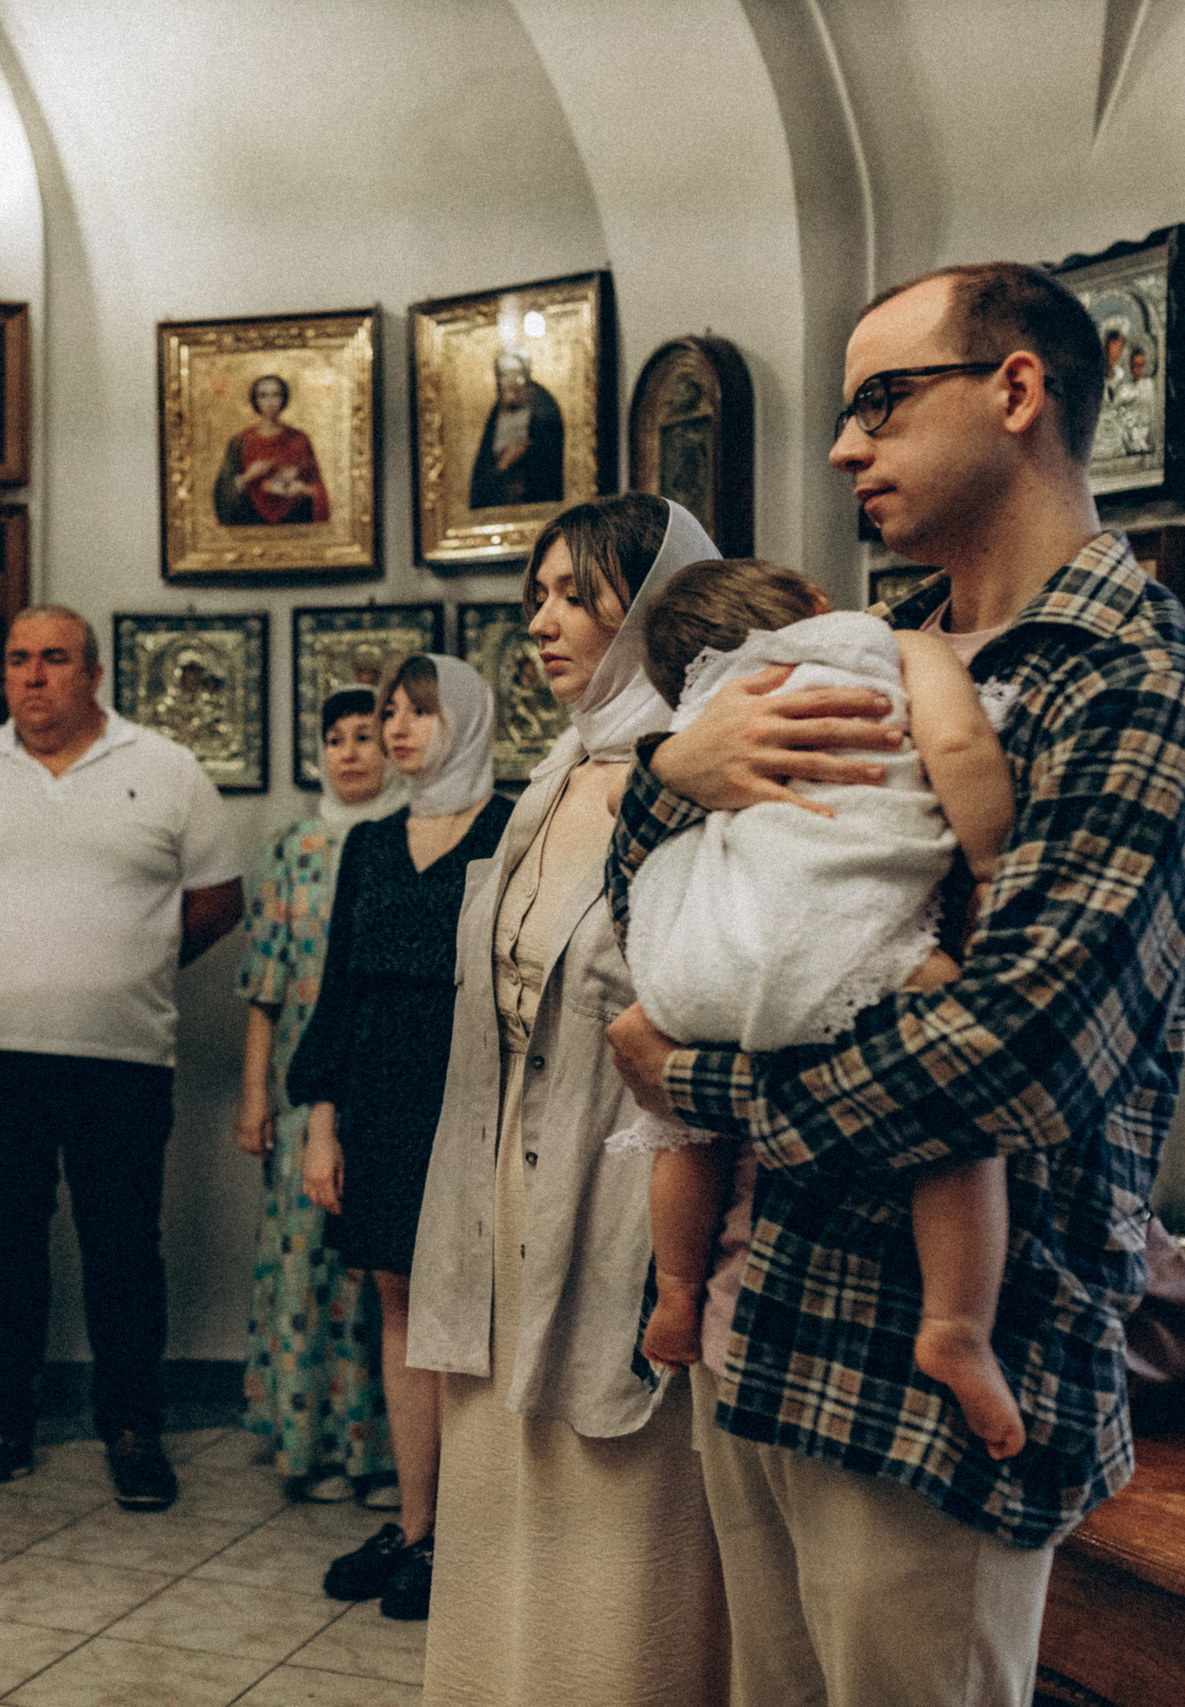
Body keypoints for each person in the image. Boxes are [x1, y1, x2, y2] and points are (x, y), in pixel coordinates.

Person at [606, 262, 1185, 1707]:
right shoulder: (851, 645)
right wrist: (669, 777)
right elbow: (666, 925)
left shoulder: (1134, 684)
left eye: (881, 401)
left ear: (1018, 391)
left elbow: (1018, 1053)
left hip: (937, 1364)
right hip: (756, 1323)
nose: (843, 445)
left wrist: (695, 1080)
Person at [406, 494, 728, 1706]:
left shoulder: (699, 776)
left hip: (625, 1191)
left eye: (576, 598)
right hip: (502, 1185)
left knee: (611, 1536)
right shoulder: (552, 778)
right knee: (504, 1502)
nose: (542, 623)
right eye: (534, 595)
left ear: (653, 611)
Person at [616, 557, 1025, 1462]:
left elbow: (640, 831)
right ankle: (956, 1323)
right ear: (812, 601)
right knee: (963, 1101)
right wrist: (993, 860)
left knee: (682, 1123)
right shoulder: (890, 641)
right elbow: (958, 747)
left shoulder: (704, 707)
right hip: (836, 935)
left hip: (709, 942)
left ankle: (676, 1291)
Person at [0, 605, 244, 1513]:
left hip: (122, 1057)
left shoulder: (167, 769)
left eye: (54, 659)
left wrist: (121, 964)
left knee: (123, 1248)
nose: (33, 676)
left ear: (93, 674)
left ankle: (133, 1431)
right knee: (0, 1247)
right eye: (17, 660)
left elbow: (216, 902)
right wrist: (18, 966)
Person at [289, 652, 514, 1623]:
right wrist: (321, 1125)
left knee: (471, 1318)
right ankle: (415, 1528)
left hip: (473, 1090)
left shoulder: (516, 828)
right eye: (390, 713)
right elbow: (337, 991)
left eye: (419, 712)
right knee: (397, 1303)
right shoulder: (372, 845)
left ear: (461, 719)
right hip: (377, 1092)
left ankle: (472, 1535)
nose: (398, 729)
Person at [234, 688, 407, 1504]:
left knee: (382, 1269)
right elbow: (263, 986)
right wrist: (254, 1094)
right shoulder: (292, 849)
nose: (349, 753)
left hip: (386, 1086)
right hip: (306, 1094)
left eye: (365, 736)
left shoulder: (418, 837)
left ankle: (383, 1453)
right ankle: (312, 1445)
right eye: (334, 739)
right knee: (305, 1264)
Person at [214, 373, 330, 526]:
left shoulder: (299, 440)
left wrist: (302, 489)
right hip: (250, 521)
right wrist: (249, 476)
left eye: (276, 395)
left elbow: (318, 490)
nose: (270, 402)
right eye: (263, 395)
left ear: (284, 399)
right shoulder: (239, 442)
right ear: (255, 400)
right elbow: (222, 495)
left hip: (295, 521)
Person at [468, 349, 564, 510]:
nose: (511, 382)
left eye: (516, 373)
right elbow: (480, 486)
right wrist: (503, 464)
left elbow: (549, 470)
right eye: (504, 375)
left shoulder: (543, 411)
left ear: (526, 376)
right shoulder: (495, 415)